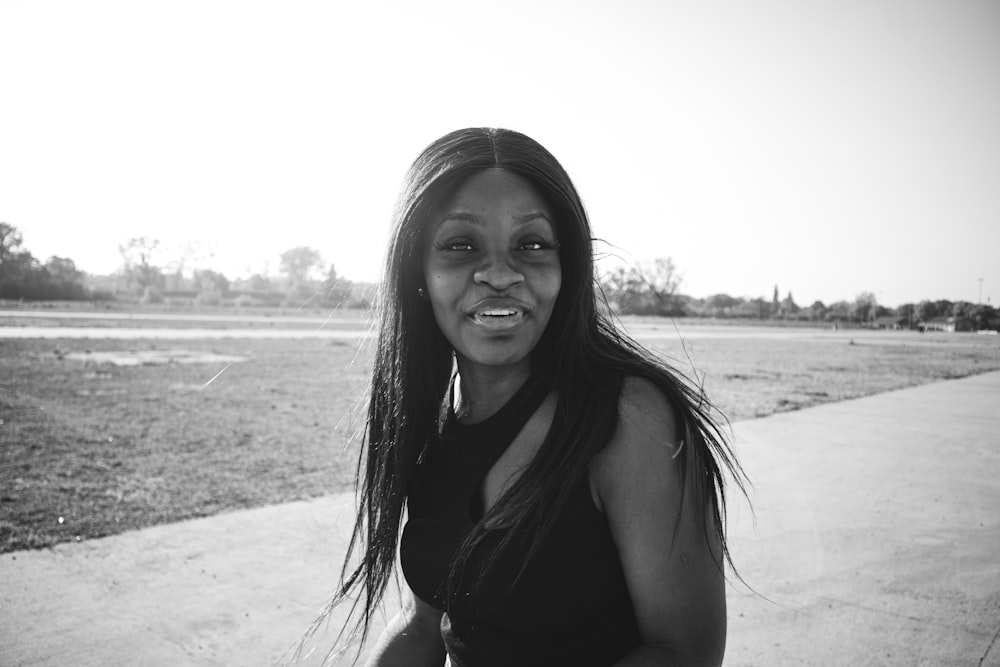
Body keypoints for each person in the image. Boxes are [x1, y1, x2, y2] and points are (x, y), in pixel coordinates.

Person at [316, 128, 746, 666]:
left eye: (532, 244)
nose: (499, 273)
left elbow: (683, 652)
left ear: (565, 270)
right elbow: (423, 623)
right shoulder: (429, 420)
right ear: (418, 272)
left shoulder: (627, 419)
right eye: (460, 245)